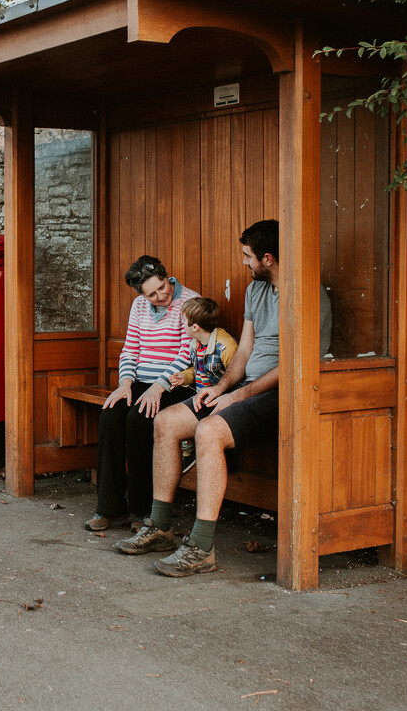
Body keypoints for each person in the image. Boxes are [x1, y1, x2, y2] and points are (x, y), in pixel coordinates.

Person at [114, 220, 332, 577]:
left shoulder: (308, 296)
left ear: (268, 257)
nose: (244, 263)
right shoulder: (255, 291)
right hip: (242, 387)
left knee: (209, 432)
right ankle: (160, 526)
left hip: (284, 393)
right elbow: (244, 350)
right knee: (166, 421)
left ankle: (201, 548)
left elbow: (296, 366)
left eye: (248, 257)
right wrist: (221, 387)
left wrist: (239, 395)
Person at [85, 256, 199, 532]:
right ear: (142, 295)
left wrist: (157, 388)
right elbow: (130, 349)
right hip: (139, 382)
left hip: (174, 384)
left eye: (162, 287)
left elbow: (187, 354)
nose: (161, 295)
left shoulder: (190, 301)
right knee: (111, 415)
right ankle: (111, 509)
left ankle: (141, 510)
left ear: (166, 276)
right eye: (152, 294)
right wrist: (125, 384)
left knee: (139, 420)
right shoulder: (139, 306)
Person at [154, 297, 238, 395]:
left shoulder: (225, 348)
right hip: (201, 396)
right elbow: (199, 370)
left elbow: (236, 376)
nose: (182, 323)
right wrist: (184, 377)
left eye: (184, 320)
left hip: (221, 398)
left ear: (194, 327)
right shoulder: (196, 345)